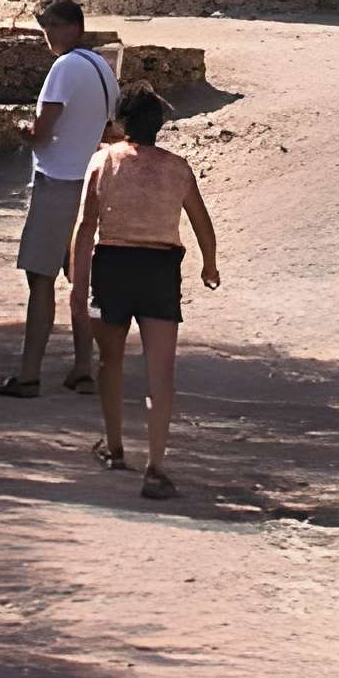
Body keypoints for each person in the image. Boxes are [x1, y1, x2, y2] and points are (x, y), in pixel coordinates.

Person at [70, 88, 218, 502]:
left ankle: (115, 447)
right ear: (159, 125)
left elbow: (85, 226)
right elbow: (202, 222)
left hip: (113, 266)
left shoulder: (103, 161)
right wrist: (209, 264)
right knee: (160, 373)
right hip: (160, 269)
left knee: (110, 361)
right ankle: (156, 466)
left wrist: (78, 284)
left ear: (120, 123)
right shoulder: (177, 168)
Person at [0, 0, 115, 398]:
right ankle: (83, 367)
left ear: (72, 27)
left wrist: (23, 130)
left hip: (58, 181)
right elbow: (108, 129)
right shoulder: (102, 68)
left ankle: (29, 374)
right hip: (91, 182)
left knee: (40, 278)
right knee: (81, 280)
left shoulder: (64, 67)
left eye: (52, 27)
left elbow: (43, 132)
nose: (49, 35)